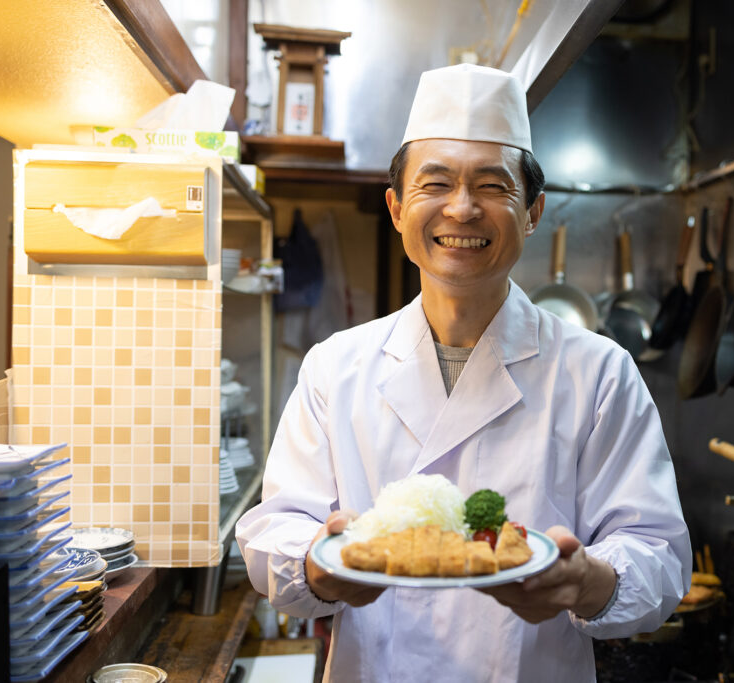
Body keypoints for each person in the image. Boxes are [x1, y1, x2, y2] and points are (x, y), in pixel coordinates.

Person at [236, 63, 691, 682]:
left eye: (491, 186)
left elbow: (659, 557)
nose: (462, 208)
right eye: (436, 183)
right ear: (397, 208)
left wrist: (583, 581)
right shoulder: (335, 367)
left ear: (533, 212)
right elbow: (276, 532)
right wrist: (317, 565)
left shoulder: (599, 372)